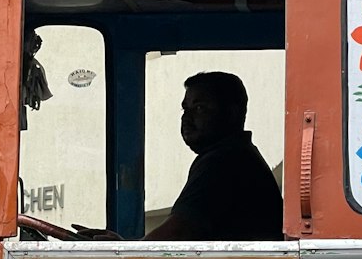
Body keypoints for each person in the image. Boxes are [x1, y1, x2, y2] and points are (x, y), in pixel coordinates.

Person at [76, 71, 283, 241]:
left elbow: (179, 232)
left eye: (199, 108)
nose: (187, 117)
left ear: (231, 113)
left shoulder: (225, 161)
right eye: (185, 109)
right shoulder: (235, 154)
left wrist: (124, 251)